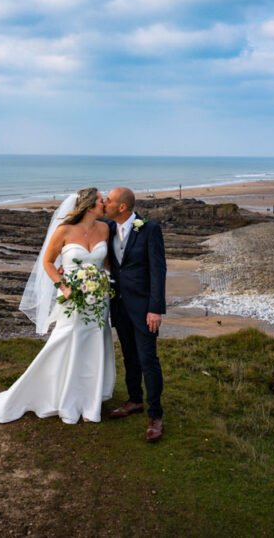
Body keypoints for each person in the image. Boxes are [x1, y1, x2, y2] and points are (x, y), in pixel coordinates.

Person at [0, 187, 115, 424]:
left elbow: (106, 263)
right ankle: (59, 394)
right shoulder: (64, 230)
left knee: (96, 343)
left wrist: (105, 281)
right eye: (100, 200)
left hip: (99, 299)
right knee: (66, 340)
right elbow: (47, 262)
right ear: (88, 206)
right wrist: (63, 286)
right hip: (71, 298)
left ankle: (90, 401)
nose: (104, 202)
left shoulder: (105, 228)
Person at [103, 187, 167, 443]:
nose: (105, 203)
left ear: (122, 207)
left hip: (144, 309)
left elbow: (158, 270)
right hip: (119, 306)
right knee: (129, 355)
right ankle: (134, 400)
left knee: (148, 359)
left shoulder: (149, 229)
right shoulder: (107, 227)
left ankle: (155, 415)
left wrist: (155, 308)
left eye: (109, 200)